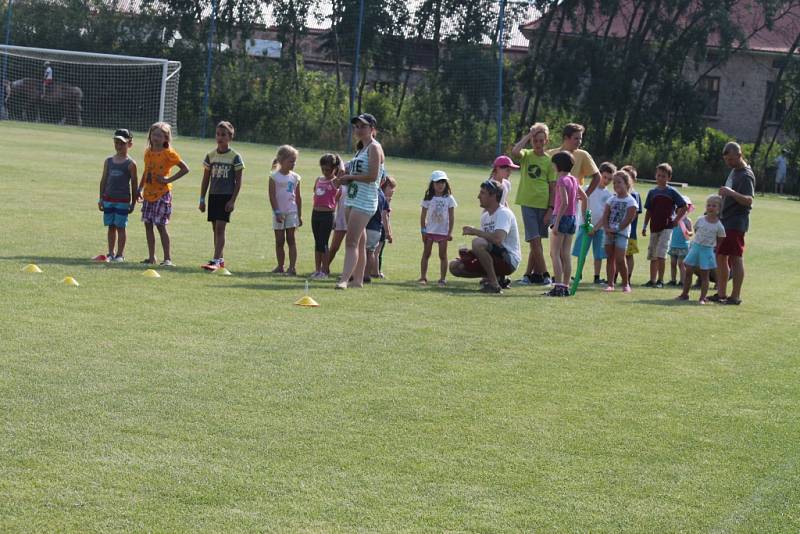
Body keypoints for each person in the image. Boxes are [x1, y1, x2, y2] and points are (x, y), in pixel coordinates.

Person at [335, 113, 385, 290]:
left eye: (363, 126)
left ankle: (344, 279)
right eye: (356, 126)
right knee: (360, 243)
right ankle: (358, 280)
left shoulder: (374, 148)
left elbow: (372, 176)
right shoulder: (361, 149)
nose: (358, 129)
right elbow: (355, 175)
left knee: (351, 241)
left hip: (365, 201)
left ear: (372, 129)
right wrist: (343, 179)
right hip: (354, 198)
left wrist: (350, 176)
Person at [448, 180, 521, 294]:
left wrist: (475, 231)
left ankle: (494, 284)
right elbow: (486, 242)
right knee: (455, 266)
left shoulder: (503, 213)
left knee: (477, 242)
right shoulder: (485, 216)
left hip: (509, 260)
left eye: (482, 193)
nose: (478, 196)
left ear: (493, 196)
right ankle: (498, 278)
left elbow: (497, 239)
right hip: (495, 257)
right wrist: (471, 254)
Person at [709, 141, 755, 305]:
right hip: (725, 220)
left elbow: (749, 201)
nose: (728, 163)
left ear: (739, 155)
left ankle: (735, 296)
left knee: (735, 258)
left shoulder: (746, 175)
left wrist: (731, 192)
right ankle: (721, 293)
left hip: (736, 222)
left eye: (731, 160)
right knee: (721, 257)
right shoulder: (734, 171)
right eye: (726, 160)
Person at [138, 122, 189, 266]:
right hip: (148, 193)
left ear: (166, 138)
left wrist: (168, 179)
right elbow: (146, 171)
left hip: (162, 194)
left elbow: (185, 169)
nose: (156, 138)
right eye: (154, 134)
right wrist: (140, 188)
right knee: (148, 224)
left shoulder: (169, 153)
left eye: (159, 135)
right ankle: (151, 257)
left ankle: (167, 259)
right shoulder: (148, 152)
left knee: (161, 226)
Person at [511, 122, 555, 286]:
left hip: (543, 205)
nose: (538, 144)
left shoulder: (550, 162)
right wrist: (529, 134)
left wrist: (551, 209)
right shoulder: (527, 155)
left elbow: (553, 187)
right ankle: (545, 275)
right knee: (534, 240)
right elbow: (515, 151)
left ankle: (528, 276)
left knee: (536, 242)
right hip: (527, 203)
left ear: (546, 141)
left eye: (541, 140)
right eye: (535, 140)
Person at [198, 121, 244, 271]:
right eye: (218, 134)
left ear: (230, 137)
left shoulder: (235, 157)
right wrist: (202, 199)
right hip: (214, 196)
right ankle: (220, 258)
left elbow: (238, 182)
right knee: (214, 229)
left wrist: (233, 200)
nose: (220, 137)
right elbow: (206, 179)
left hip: (226, 197)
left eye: (223, 135)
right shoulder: (210, 155)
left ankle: (216, 260)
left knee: (220, 228)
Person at [547, 151, 588, 297]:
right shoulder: (574, 180)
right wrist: (583, 216)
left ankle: (557, 286)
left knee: (554, 253)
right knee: (566, 254)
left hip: (561, 217)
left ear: (557, 165)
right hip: (572, 219)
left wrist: (556, 223)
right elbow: (584, 197)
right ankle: (565, 286)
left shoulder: (561, 180)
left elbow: (563, 203)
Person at [641, 163, 687, 288]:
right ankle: (652, 280)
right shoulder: (652, 193)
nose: (660, 178)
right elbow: (649, 211)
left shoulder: (672, 192)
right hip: (654, 227)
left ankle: (660, 280)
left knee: (661, 253)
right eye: (658, 175)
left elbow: (684, 206)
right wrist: (645, 226)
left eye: (664, 176)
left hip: (667, 227)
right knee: (653, 254)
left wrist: (676, 220)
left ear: (669, 178)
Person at [97, 129, 138, 263]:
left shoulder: (131, 164)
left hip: (123, 201)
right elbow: (103, 180)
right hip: (108, 199)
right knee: (111, 226)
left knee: (121, 227)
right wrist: (101, 198)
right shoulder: (108, 161)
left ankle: (120, 254)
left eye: (122, 143)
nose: (119, 146)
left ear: (129, 144)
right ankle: (110, 252)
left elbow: (134, 185)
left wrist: (133, 203)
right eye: (116, 143)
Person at [677, 195, 726, 304]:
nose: (711, 208)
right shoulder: (700, 220)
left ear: (719, 209)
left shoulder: (719, 226)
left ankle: (702, 298)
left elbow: (720, 239)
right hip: (696, 248)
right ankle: (684, 294)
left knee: (705, 275)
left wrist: (714, 249)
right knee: (688, 270)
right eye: (709, 205)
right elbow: (696, 230)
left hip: (707, 250)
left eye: (714, 206)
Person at [597, 170, 638, 293]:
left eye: (619, 182)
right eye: (614, 183)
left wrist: (616, 229)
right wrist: (606, 228)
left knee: (620, 259)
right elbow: (605, 215)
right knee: (610, 258)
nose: (616, 185)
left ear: (626, 183)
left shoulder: (631, 201)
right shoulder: (611, 200)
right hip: (609, 232)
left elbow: (628, 219)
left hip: (621, 234)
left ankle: (625, 284)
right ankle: (610, 284)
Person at [575, 162, 613, 285]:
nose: (606, 180)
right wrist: (588, 224)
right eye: (604, 177)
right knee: (582, 252)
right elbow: (583, 207)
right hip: (585, 226)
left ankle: (597, 276)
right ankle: (578, 274)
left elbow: (606, 215)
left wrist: (596, 228)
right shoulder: (588, 188)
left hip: (600, 229)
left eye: (609, 179)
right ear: (599, 174)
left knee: (599, 254)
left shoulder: (609, 195)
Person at [268, 145, 302, 275]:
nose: (293, 164)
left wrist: (299, 215)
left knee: (291, 239)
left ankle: (292, 267)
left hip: (292, 212)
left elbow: (298, 197)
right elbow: (271, 195)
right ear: (281, 161)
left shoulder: (295, 177)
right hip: (278, 213)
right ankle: (280, 266)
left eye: (294, 161)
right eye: (290, 161)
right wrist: (276, 212)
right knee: (279, 240)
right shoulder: (274, 177)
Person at [419, 170, 457, 286]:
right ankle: (423, 277)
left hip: (443, 232)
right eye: (437, 182)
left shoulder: (449, 199)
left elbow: (451, 217)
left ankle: (442, 278)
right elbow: (423, 216)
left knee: (443, 255)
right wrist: (423, 230)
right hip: (430, 231)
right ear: (432, 184)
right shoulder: (428, 198)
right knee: (426, 254)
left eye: (443, 182)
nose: (440, 185)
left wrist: (449, 232)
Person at [546, 123, 601, 195]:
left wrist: (585, 194)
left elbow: (597, 176)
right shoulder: (550, 154)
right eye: (576, 138)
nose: (579, 142)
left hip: (572, 198)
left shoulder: (583, 155)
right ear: (566, 138)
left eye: (580, 138)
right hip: (552, 198)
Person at [310, 153, 342, 279]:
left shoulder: (335, 181)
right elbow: (315, 193)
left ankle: (325, 270)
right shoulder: (318, 179)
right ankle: (317, 270)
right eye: (322, 169)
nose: (325, 172)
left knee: (324, 243)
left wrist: (339, 160)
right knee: (317, 242)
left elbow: (343, 171)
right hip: (315, 213)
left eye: (328, 170)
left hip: (327, 215)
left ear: (335, 168)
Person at [365, 178, 391, 282]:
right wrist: (388, 232)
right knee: (371, 252)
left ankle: (358, 273)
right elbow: (385, 217)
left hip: (366, 226)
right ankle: (367, 275)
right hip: (377, 229)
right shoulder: (382, 196)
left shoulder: (369, 192)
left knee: (361, 251)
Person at [621, 165, 642, 283]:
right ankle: (614, 277)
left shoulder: (634, 195)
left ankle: (627, 278)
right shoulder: (616, 194)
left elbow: (635, 213)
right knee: (618, 255)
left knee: (629, 255)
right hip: (617, 230)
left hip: (630, 232)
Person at [667, 197, 693, 286]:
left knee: (681, 264)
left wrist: (688, 232)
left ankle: (682, 281)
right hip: (673, 244)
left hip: (683, 245)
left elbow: (691, 232)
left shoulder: (687, 220)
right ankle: (673, 280)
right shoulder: (674, 219)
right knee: (673, 263)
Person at [374, 176, 397, 278]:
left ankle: (375, 270)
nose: (393, 190)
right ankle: (375, 272)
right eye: (390, 187)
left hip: (377, 227)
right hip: (380, 228)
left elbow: (388, 218)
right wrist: (388, 233)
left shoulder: (379, 196)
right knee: (376, 252)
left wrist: (390, 231)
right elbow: (385, 217)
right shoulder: (383, 199)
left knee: (377, 251)